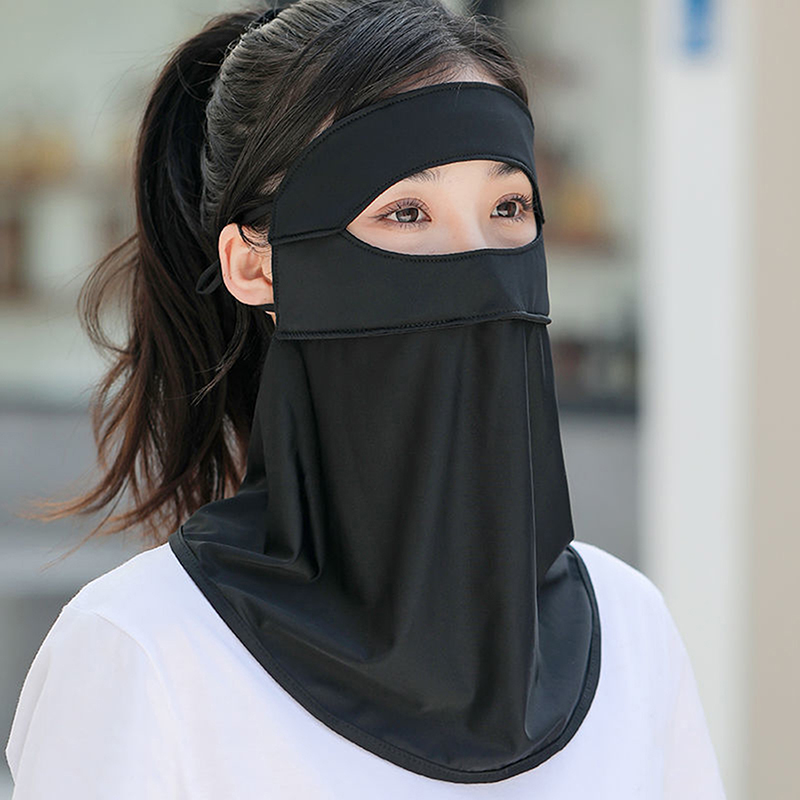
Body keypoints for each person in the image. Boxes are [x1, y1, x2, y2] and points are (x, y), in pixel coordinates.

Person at [5, 1, 727, 797]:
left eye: (508, 208)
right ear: (256, 266)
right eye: (406, 212)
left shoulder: (629, 628)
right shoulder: (141, 650)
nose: (482, 268)